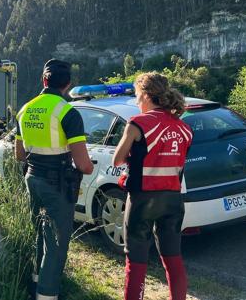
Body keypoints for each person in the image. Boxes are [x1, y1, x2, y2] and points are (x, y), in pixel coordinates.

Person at [15, 59, 94, 300]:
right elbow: (83, 164)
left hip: (32, 178)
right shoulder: (68, 113)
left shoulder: (25, 108)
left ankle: (36, 282)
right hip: (57, 184)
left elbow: (19, 154)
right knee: (57, 244)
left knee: (39, 233)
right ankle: (47, 295)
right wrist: (89, 168)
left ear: (43, 81)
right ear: (68, 85)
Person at [112, 72, 193, 300]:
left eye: (137, 96)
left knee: (136, 261)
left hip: (143, 199)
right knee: (173, 258)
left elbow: (117, 159)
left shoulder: (138, 123)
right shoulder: (184, 128)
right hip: (174, 200)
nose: (137, 102)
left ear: (147, 95)